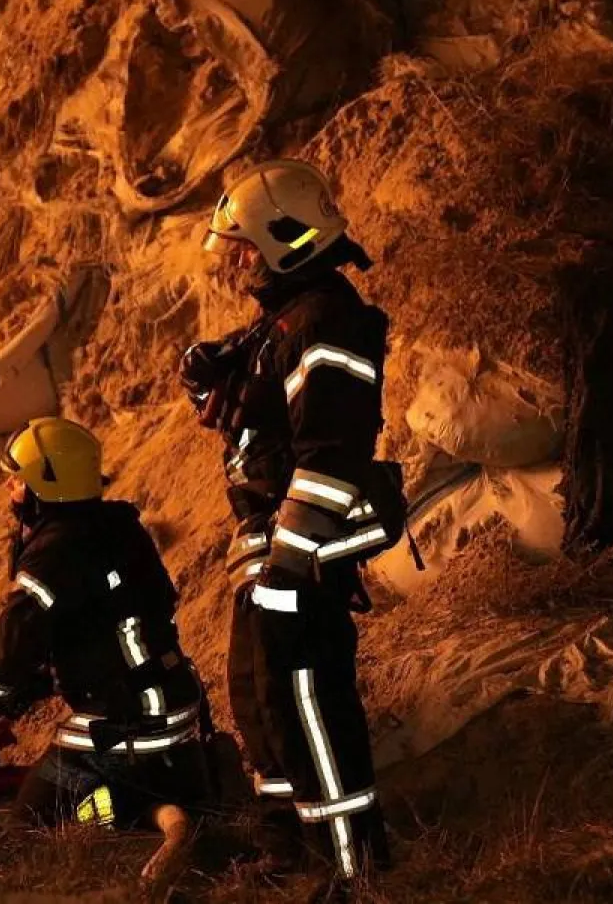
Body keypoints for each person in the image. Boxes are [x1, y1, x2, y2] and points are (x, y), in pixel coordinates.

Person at [179, 159, 402, 884]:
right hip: (272, 548)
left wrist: (290, 566)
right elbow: (264, 424)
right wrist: (216, 371)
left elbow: (330, 451)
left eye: (244, 247)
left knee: (310, 697)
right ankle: (287, 844)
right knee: (260, 697)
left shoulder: (328, 321)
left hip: (304, 549)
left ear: (287, 239)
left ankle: (355, 866)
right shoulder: (283, 318)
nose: (237, 263)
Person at [0, 416, 214, 832]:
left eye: (16, 480)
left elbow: (10, 648)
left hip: (127, 735)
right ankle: (163, 801)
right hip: (178, 719)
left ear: (42, 484)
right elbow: (90, 642)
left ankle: (122, 814)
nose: (9, 490)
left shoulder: (54, 550)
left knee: (26, 827)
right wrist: (17, 703)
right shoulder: (119, 529)